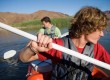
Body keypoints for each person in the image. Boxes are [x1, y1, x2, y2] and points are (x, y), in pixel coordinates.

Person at [19, 6, 110, 80]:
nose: (102, 34)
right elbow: (23, 58)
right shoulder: (57, 46)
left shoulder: (96, 48)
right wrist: (33, 48)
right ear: (86, 27)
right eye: (100, 29)